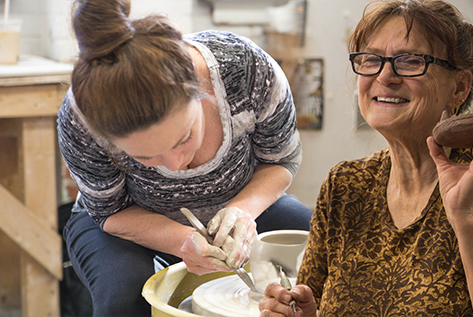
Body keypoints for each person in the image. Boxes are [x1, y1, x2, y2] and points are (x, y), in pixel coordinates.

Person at [259, 0, 473, 316]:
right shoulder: (345, 185)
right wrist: (299, 312)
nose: (385, 76)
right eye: (371, 59)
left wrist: (463, 215)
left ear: (459, 87)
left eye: (411, 61)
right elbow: (313, 302)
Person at [58, 0, 312, 315]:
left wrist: (242, 212)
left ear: (198, 87)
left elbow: (281, 161)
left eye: (185, 138)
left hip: (242, 199)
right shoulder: (80, 120)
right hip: (123, 221)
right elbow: (110, 212)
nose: (176, 165)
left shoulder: (247, 70)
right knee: (124, 296)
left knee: (323, 252)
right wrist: (180, 240)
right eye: (145, 157)